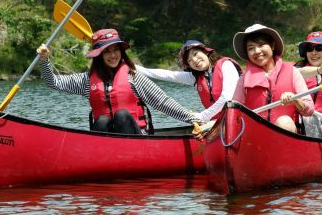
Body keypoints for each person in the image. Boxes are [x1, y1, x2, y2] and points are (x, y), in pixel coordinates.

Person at [37, 28, 204, 135]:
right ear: (99, 56)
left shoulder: (133, 76)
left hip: (136, 139)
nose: (113, 55)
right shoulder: (87, 80)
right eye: (107, 51)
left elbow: (162, 102)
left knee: (122, 115)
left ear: (121, 52)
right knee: (102, 120)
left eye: (116, 50)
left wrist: (193, 119)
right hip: (105, 143)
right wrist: (44, 61)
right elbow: (53, 82)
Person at [231, 23, 314, 133]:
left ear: (273, 46)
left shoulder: (293, 72)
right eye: (251, 48)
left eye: (261, 45)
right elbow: (233, 110)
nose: (256, 51)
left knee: (284, 122)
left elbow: (310, 110)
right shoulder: (244, 78)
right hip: (255, 136)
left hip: (285, 135)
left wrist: (296, 100)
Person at [136, 40, 242, 122]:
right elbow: (168, 75)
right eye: (190, 60)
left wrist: (203, 116)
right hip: (218, 122)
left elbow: (227, 98)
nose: (194, 60)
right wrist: (133, 67)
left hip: (239, 118)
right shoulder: (195, 77)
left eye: (195, 54)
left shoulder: (226, 65)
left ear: (205, 52)